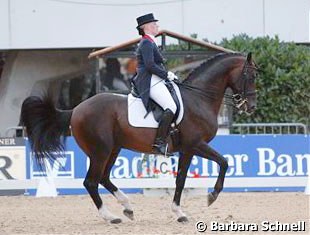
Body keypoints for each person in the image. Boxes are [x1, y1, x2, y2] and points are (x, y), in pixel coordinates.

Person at [133, 13, 178, 155]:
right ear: (145, 27)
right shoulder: (146, 42)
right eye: (154, 24)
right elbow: (150, 65)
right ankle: (159, 142)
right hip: (149, 80)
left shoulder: (151, 42)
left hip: (156, 78)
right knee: (171, 106)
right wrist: (166, 74)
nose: (157, 26)